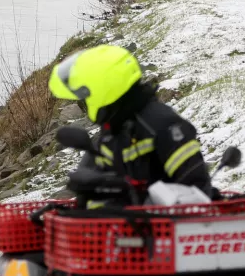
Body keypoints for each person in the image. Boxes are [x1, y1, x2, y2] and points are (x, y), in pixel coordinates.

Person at [48, 44, 214, 199]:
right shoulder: (115, 127)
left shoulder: (162, 125)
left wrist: (126, 191)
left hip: (164, 226)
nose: (83, 102)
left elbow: (196, 191)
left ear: (103, 90)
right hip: (125, 226)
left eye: (85, 96)